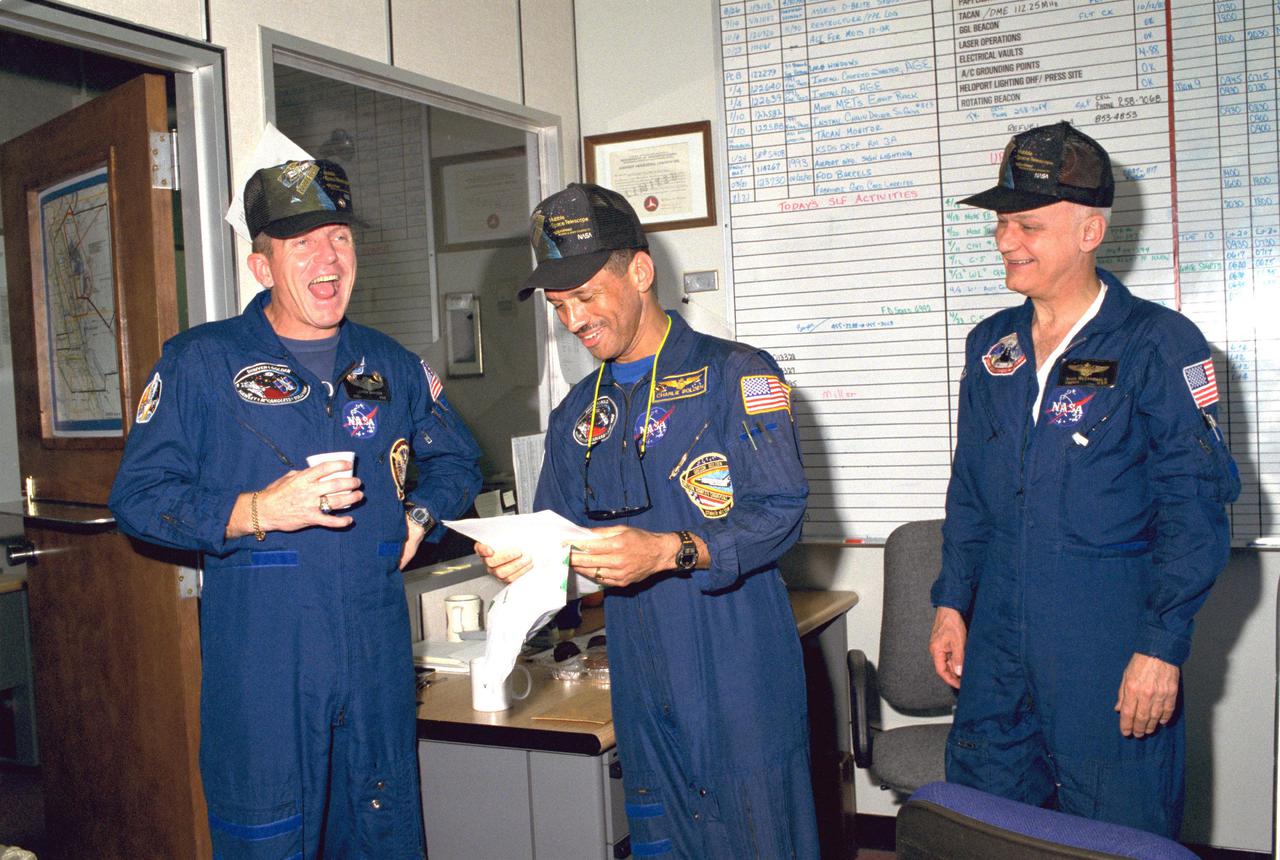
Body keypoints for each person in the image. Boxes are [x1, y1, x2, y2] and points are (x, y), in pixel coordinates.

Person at [109, 158, 482, 858]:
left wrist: (421, 518)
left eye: (338, 236)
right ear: (261, 265)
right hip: (264, 659)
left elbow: (456, 460)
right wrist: (255, 510)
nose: (327, 256)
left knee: (382, 831)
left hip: (374, 651)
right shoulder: (200, 362)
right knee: (268, 834)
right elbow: (137, 500)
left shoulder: (392, 364)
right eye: (301, 242)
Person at [476, 183, 820, 858]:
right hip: (638, 673)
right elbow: (562, 539)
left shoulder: (737, 375)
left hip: (736, 664)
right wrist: (525, 560)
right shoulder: (577, 410)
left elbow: (780, 512)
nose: (574, 319)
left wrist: (670, 551)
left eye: (586, 295)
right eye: (559, 306)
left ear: (639, 271)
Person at [927, 121, 1240, 837]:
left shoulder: (1160, 346)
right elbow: (969, 492)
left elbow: (1196, 513)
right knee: (990, 834)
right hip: (998, 639)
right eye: (1003, 224)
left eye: (1028, 224)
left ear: (1090, 231)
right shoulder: (992, 346)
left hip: (1107, 638)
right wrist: (952, 603)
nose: (1006, 241)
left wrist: (1162, 648)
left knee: (1116, 835)